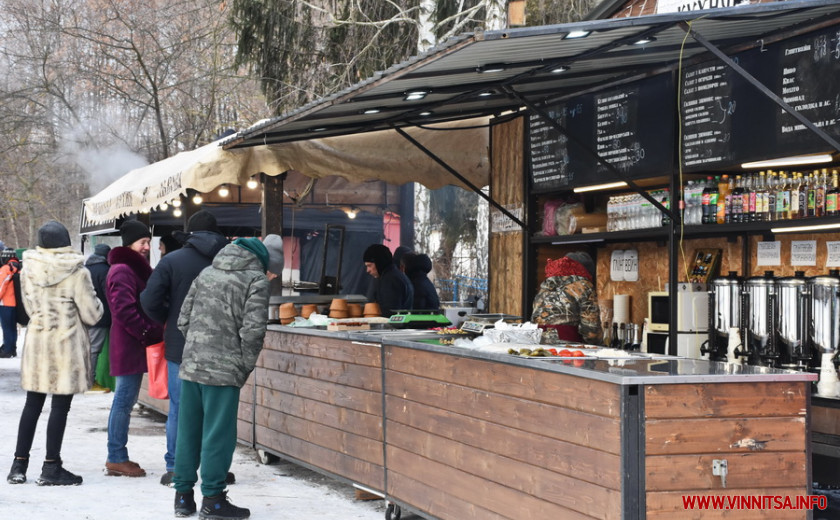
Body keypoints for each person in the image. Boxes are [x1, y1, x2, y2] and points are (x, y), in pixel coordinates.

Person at [172, 234, 284, 519]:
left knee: (189, 432)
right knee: (217, 436)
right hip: (224, 371)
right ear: (260, 260)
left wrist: (199, 348)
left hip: (192, 366)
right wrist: (243, 365)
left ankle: (183, 497)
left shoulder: (206, 272)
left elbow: (183, 319)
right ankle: (213, 500)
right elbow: (253, 330)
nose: (269, 275)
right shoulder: (255, 280)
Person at [6, 220, 103, 486]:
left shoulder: (28, 270)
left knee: (32, 404)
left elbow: (27, 309)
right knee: (60, 407)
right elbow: (92, 314)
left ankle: (19, 464)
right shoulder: (77, 272)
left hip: (38, 342)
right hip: (66, 345)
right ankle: (51, 467)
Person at [140, 210, 229, 487]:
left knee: (180, 409)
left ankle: (177, 467)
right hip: (221, 346)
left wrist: (168, 316)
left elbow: (149, 300)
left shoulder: (172, 261)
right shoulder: (229, 261)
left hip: (181, 346)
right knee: (216, 412)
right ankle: (215, 469)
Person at [105, 219, 163, 478]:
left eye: (149, 242)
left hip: (131, 344)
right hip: (128, 345)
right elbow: (124, 310)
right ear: (130, 243)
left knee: (125, 401)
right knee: (123, 402)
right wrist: (146, 332)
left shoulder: (130, 269)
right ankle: (116, 457)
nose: (146, 246)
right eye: (143, 242)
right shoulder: (122, 271)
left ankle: (117, 455)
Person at [531, 251, 603, 345]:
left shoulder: (547, 283)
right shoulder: (583, 285)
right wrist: (597, 347)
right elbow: (591, 329)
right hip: (569, 344)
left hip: (539, 342)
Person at [84, 244, 112, 391]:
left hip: (85, 315)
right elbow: (109, 295)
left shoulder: (86, 268)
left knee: (87, 348)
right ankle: (89, 382)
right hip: (100, 316)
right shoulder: (105, 271)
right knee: (94, 350)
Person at [363, 244, 413, 317]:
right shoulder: (393, 275)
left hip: (394, 327)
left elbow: (389, 313)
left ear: (380, 262)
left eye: (369, 265)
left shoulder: (390, 280)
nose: (368, 270)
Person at [0, 249, 21, 358]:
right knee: (12, 327)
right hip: (15, 303)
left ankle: (7, 349)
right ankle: (12, 348)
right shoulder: (18, 267)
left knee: (6, 327)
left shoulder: (6, 268)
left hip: (5, 303)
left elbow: (1, 285)